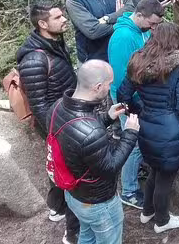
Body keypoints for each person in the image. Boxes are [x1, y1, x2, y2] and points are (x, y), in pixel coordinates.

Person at [47, 60, 139, 244]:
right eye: (109, 84)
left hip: (73, 194)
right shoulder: (90, 131)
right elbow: (110, 167)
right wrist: (130, 133)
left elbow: (79, 135)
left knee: (87, 236)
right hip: (98, 203)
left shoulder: (57, 106)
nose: (110, 87)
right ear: (98, 87)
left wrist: (107, 117)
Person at [118, 22, 179, 235]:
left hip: (147, 124)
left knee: (154, 169)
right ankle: (162, 220)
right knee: (165, 177)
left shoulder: (138, 61)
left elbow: (123, 95)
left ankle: (147, 211)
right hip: (170, 128)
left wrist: (139, 110)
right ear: (177, 40)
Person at [16, 3, 79, 243]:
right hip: (56, 122)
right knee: (68, 168)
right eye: (58, 16)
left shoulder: (54, 44)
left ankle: (57, 206)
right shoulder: (34, 60)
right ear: (43, 24)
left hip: (64, 115)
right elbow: (39, 104)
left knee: (60, 164)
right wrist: (57, 133)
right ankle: (71, 229)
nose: (64, 19)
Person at [107, 0, 166, 209]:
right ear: (139, 15)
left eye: (156, 25)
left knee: (139, 142)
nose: (154, 29)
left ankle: (135, 176)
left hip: (140, 95)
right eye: (151, 24)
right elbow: (122, 75)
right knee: (131, 143)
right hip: (126, 98)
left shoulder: (142, 31)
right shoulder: (123, 37)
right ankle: (129, 191)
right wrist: (131, 103)